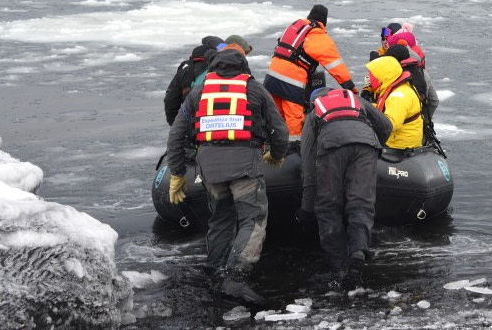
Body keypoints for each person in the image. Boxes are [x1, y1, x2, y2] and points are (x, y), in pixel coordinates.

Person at [165, 47, 288, 306]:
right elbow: (279, 128)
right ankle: (236, 277)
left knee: (221, 218)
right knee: (253, 220)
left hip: (210, 169)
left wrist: (177, 174)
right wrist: (277, 154)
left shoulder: (198, 93)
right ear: (242, 67)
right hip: (244, 166)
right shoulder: (254, 90)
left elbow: (176, 134)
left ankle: (214, 271)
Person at [299, 87, 392, 290]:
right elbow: (386, 125)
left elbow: (307, 161)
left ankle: (339, 271)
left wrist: (306, 207)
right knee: (361, 203)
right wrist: (375, 145)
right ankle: (358, 252)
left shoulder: (315, 111)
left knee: (328, 208)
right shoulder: (356, 100)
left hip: (332, 145)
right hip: (367, 144)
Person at [264, 5, 357, 138]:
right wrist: (350, 87)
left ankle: (272, 146)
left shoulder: (296, 27)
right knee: (293, 118)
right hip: (291, 80)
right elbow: (334, 64)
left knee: (276, 114)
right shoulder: (317, 33)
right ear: (324, 22)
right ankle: (293, 149)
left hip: (272, 76)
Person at [364, 55, 424, 149]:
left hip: (399, 144)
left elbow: (390, 124)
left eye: (376, 74)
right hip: (403, 139)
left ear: (385, 74)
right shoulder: (402, 88)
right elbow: (386, 108)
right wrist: (368, 107)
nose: (374, 77)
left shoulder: (398, 96)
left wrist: (368, 117)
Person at [163, 35, 224, 126]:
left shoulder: (184, 70)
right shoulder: (222, 66)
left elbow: (170, 99)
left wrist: (174, 123)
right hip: (220, 119)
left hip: (191, 120)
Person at [384, 43, 439, 120]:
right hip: (417, 125)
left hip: (401, 127)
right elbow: (434, 101)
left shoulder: (395, 78)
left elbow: (393, 122)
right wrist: (425, 121)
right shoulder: (421, 73)